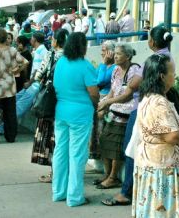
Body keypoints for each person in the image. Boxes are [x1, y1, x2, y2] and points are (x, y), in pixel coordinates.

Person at [100, 25, 175, 207]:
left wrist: (107, 102)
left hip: (145, 105)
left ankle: (126, 191)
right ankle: (133, 189)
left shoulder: (155, 59)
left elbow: (134, 85)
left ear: (152, 42)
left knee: (131, 148)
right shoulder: (168, 57)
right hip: (156, 104)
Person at [132, 53, 179, 218]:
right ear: (162, 76)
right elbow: (172, 136)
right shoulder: (158, 102)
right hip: (162, 172)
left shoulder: (152, 98)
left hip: (157, 168)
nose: (174, 76)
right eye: (172, 72)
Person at [52, 32, 99, 207]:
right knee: (77, 155)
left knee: (60, 152)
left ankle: (58, 192)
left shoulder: (60, 62)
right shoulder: (85, 66)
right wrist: (95, 104)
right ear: (83, 46)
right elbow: (93, 93)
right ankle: (74, 197)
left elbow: (56, 85)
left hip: (61, 111)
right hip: (80, 114)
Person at [95, 43, 139, 189]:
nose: (115, 56)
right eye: (115, 53)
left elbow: (127, 96)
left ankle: (113, 177)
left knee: (116, 147)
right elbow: (112, 91)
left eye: (119, 54)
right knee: (104, 141)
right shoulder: (116, 70)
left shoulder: (134, 70)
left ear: (127, 56)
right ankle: (107, 174)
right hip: (113, 113)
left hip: (125, 114)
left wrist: (107, 102)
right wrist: (104, 104)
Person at [32, 28, 69, 183]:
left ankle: (54, 173)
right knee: (61, 139)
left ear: (55, 41)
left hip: (50, 102)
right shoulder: (70, 57)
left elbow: (38, 75)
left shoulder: (51, 55)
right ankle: (62, 172)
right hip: (65, 101)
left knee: (50, 137)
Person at [0, 28, 29, 144]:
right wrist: (16, 71)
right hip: (9, 86)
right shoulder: (12, 50)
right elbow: (25, 62)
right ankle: (11, 137)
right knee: (10, 113)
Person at [90, 41, 116, 160]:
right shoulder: (104, 66)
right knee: (95, 128)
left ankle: (102, 154)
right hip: (98, 98)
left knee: (101, 128)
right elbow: (94, 80)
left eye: (104, 50)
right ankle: (95, 152)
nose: (102, 52)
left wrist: (103, 63)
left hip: (107, 99)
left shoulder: (114, 67)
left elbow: (100, 81)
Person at [15, 32, 48, 120]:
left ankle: (5, 126)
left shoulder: (39, 52)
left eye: (32, 38)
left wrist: (29, 82)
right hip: (35, 83)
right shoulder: (42, 50)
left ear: (35, 40)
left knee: (20, 105)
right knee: (16, 99)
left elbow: (37, 71)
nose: (30, 40)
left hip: (35, 84)